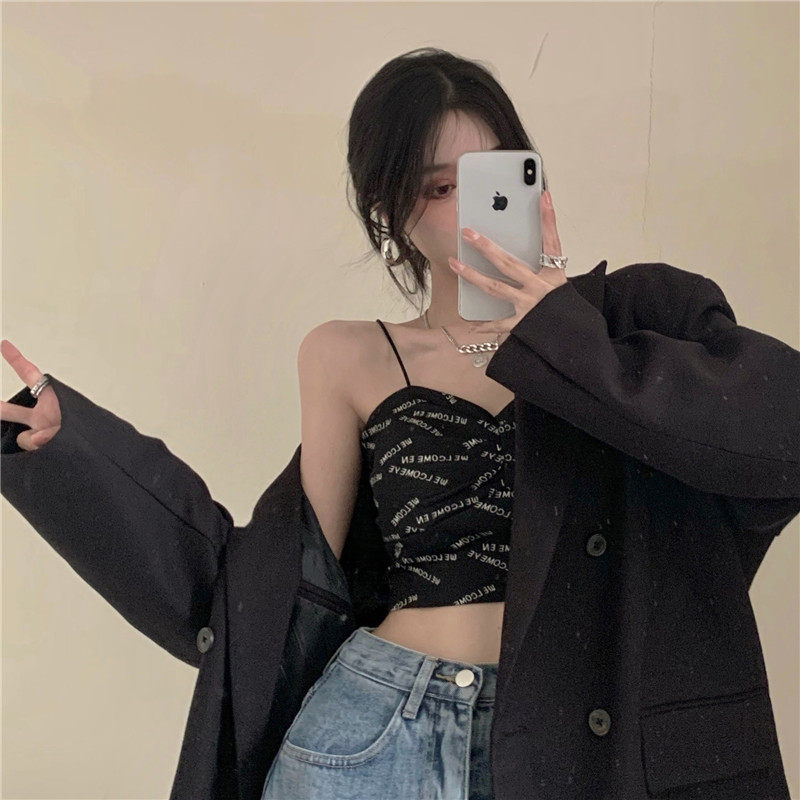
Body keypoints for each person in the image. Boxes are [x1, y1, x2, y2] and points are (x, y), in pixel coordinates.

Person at [3, 47, 799, 800]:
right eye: (439, 188)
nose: (474, 210)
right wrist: (74, 451)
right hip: (376, 734)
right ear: (389, 211)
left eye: (494, 177)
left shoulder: (639, 320)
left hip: (582, 753)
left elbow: (779, 439)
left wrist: (562, 336)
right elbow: (270, 594)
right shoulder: (347, 357)